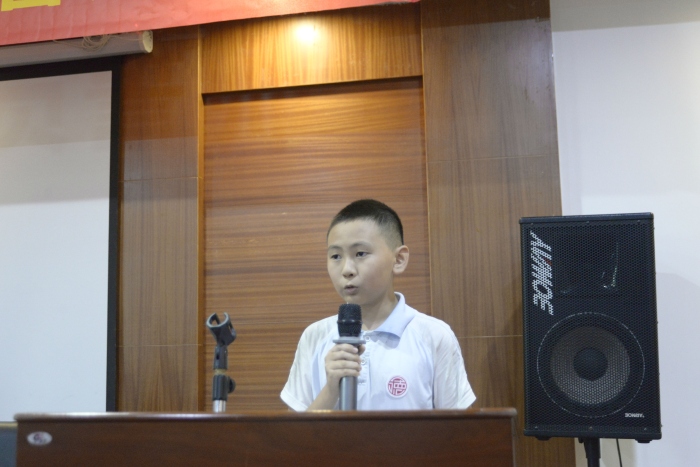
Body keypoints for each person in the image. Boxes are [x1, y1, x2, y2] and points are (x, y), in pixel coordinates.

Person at [281, 199, 476, 411]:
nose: (347, 269)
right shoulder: (314, 336)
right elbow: (295, 430)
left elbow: (458, 427)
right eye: (336, 256)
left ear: (398, 259)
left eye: (360, 254)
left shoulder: (434, 335)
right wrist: (331, 389)